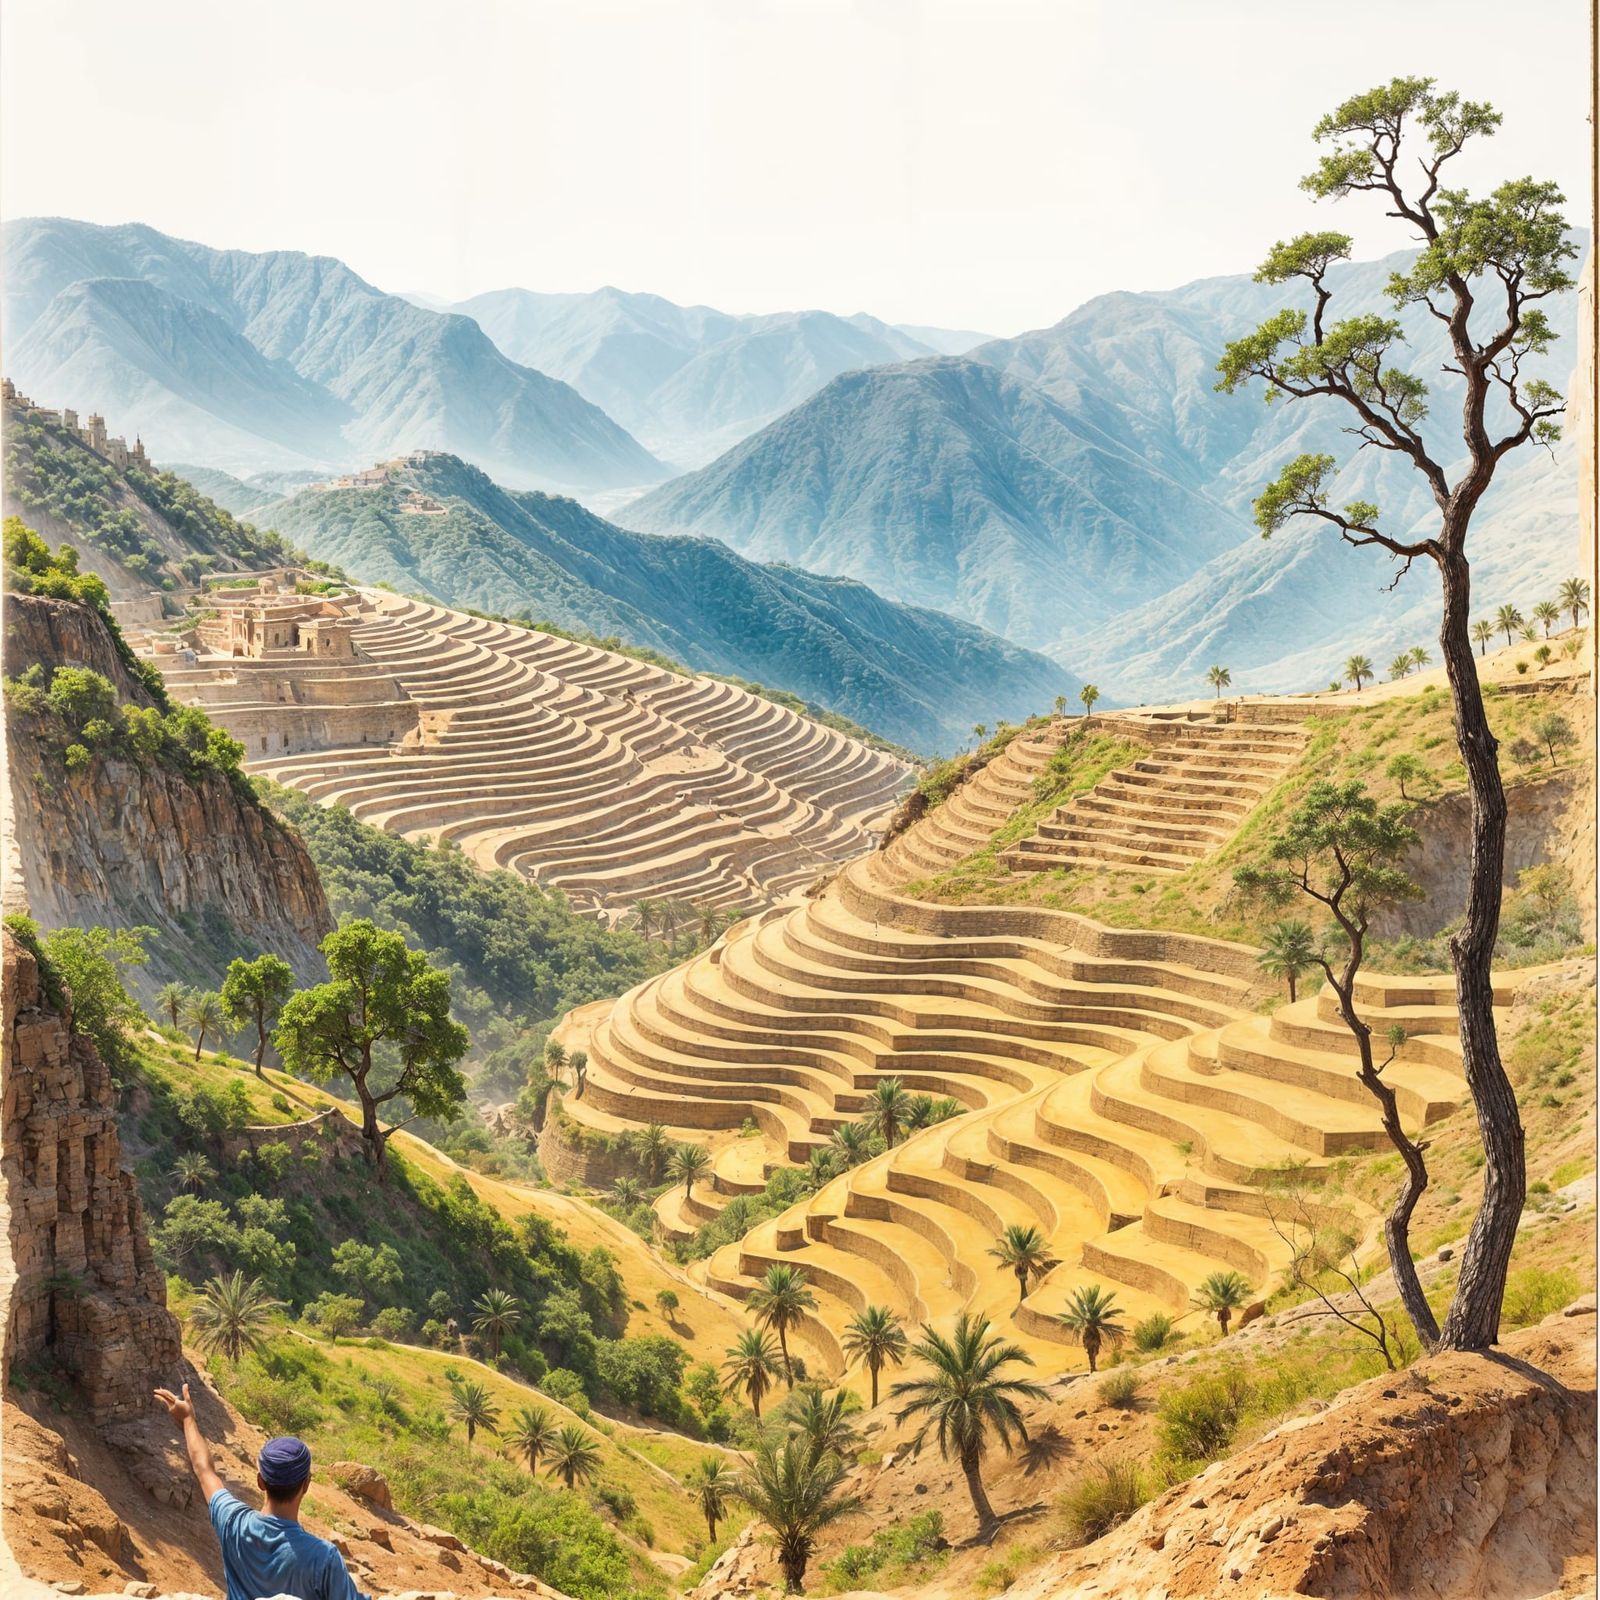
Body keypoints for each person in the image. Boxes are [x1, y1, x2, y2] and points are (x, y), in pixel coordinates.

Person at [154, 1382, 367, 1600]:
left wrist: (188, 1419)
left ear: (260, 1482)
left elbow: (205, 1471)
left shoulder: (233, 1523)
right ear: (306, 1484)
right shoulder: (324, 1558)